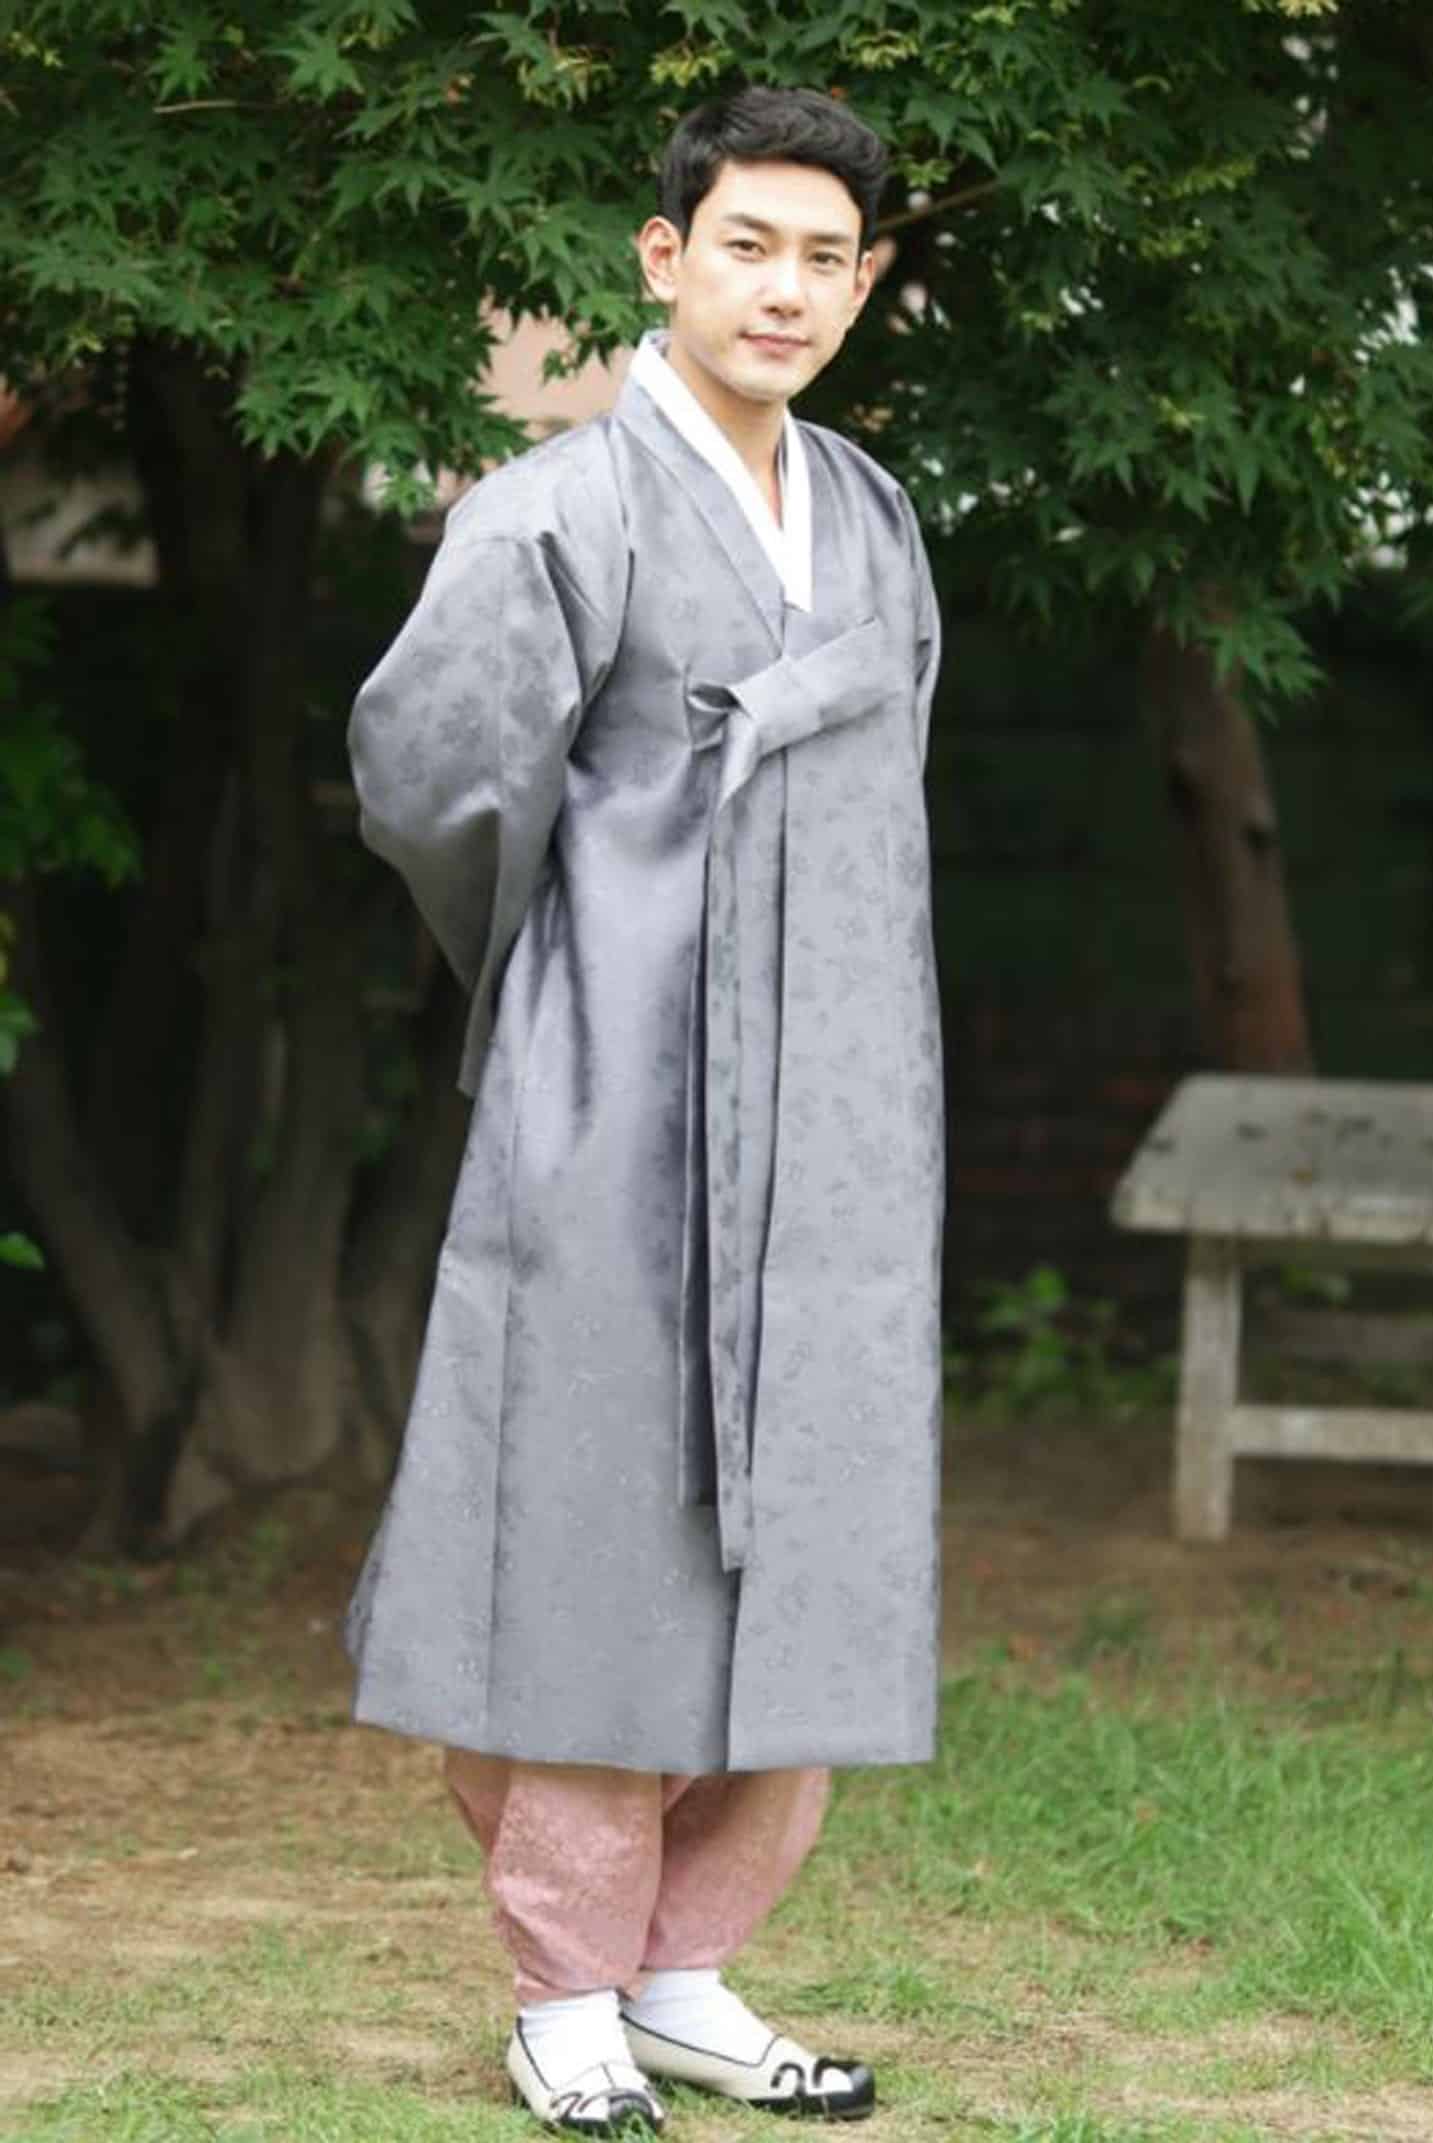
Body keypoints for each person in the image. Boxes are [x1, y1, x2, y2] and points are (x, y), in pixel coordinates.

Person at [344, 84, 945, 2138]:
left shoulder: (871, 515)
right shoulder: (555, 509)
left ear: (860, 286)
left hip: (840, 1100)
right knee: (598, 1526)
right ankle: (566, 1989)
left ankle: (687, 1968)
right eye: (747, 244)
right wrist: (575, 973)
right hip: (615, 1086)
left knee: (816, 1518)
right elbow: (436, 780)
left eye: (825, 258)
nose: (786, 289)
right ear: (663, 256)